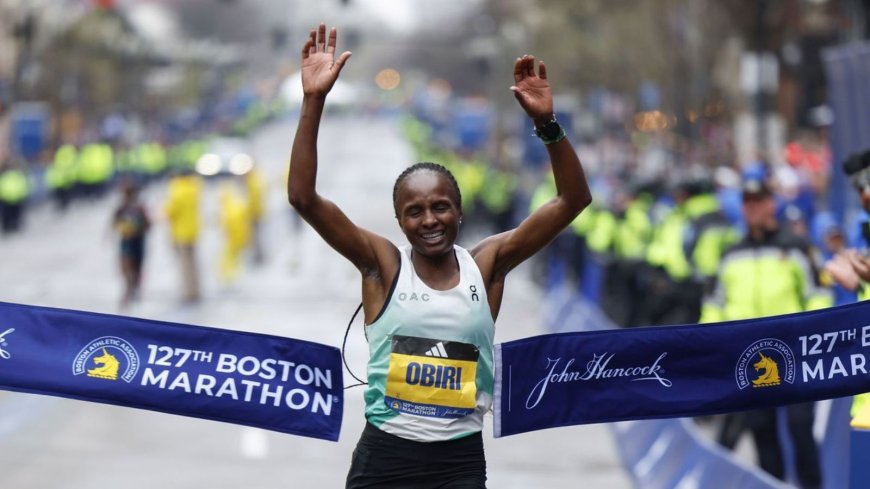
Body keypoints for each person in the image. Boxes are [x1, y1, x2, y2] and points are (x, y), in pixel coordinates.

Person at [287, 24, 591, 489]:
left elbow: (571, 200)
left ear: (459, 212)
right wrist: (313, 101)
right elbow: (304, 198)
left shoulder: (487, 264)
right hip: (385, 460)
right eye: (414, 212)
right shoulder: (382, 266)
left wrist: (546, 126)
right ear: (400, 220)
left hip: (459, 464)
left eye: (440, 207)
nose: (429, 220)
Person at [701, 179, 832, 489]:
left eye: (759, 201)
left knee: (801, 430)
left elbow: (819, 294)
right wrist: (712, 341)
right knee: (762, 433)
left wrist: (803, 328)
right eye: (747, 203)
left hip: (794, 355)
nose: (753, 208)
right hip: (747, 358)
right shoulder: (731, 253)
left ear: (772, 204)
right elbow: (713, 304)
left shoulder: (796, 246)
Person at [164, 168, 202, 303]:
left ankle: (188, 292)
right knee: (193, 263)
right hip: (193, 230)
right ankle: (196, 289)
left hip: (181, 232)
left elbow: (170, 212)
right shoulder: (194, 188)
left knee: (184, 265)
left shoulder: (177, 191)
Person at [111, 181, 150, 309]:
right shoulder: (122, 208)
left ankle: (134, 289)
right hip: (127, 242)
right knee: (127, 269)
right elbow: (114, 223)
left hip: (136, 242)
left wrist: (135, 228)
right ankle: (128, 292)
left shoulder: (139, 207)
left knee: (136, 269)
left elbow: (148, 225)